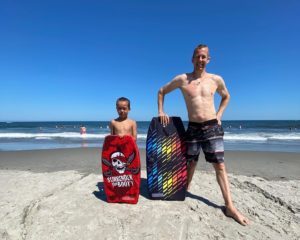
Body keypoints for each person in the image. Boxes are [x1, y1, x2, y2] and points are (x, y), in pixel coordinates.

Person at [157, 44, 249, 226]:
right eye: (197, 56)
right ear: (192, 59)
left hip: (212, 127)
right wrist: (161, 111)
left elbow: (226, 96)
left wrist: (220, 115)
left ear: (208, 59)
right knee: (190, 162)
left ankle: (230, 206)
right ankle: (185, 190)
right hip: (192, 127)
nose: (200, 60)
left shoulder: (216, 79)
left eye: (204, 57)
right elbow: (161, 91)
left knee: (220, 166)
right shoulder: (182, 79)